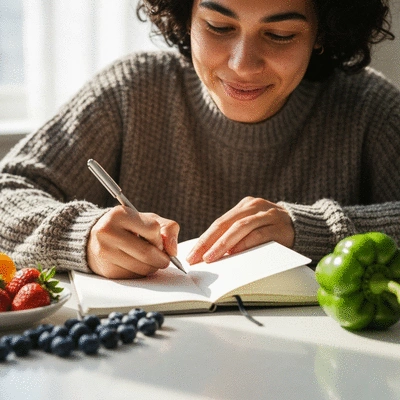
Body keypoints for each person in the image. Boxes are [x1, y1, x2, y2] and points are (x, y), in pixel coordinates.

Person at [0, 0, 399, 279]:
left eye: (279, 34)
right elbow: (7, 192)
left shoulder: (369, 108)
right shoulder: (132, 91)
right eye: (219, 27)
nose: (242, 64)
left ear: (322, 34)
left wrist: (314, 231)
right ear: (185, 17)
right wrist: (83, 236)